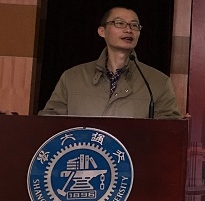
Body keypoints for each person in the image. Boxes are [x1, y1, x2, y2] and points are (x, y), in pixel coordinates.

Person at [39, 6, 181, 119]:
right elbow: (49, 123)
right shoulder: (72, 78)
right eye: (120, 23)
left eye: (134, 25)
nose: (128, 30)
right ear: (102, 31)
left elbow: (169, 132)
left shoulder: (158, 82)